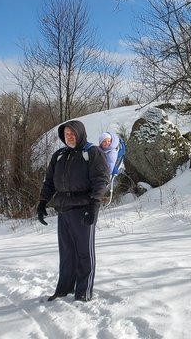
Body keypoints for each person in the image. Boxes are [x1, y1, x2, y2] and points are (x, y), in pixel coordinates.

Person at [36, 119, 109, 302]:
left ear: (80, 133)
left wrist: (94, 204)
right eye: (66, 134)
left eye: (72, 133)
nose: (69, 137)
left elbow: (101, 179)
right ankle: (64, 290)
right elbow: (49, 182)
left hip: (84, 208)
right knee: (67, 252)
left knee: (84, 252)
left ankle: (83, 292)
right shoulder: (59, 155)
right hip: (63, 209)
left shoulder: (91, 153)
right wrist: (42, 202)